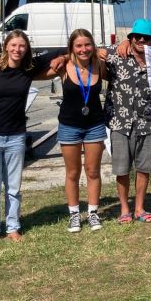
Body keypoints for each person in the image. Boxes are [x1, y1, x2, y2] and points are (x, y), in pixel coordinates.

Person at [0, 30, 59, 246]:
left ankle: (13, 227)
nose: (17, 49)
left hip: (16, 135)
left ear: (26, 49)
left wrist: (68, 53)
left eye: (21, 46)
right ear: (6, 46)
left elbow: (55, 52)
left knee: (14, 187)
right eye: (13, 45)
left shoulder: (28, 70)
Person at [103, 19, 151, 224]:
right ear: (131, 38)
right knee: (122, 169)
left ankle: (139, 208)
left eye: (146, 38)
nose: (141, 40)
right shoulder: (118, 56)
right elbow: (92, 50)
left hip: (147, 122)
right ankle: (124, 209)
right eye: (137, 37)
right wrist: (120, 45)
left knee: (144, 168)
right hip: (120, 122)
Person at [57, 29, 107, 232]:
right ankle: (74, 215)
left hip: (94, 125)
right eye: (78, 45)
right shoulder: (63, 66)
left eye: (87, 45)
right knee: (73, 172)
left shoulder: (99, 65)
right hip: (69, 126)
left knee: (93, 171)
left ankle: (93, 213)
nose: (83, 49)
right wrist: (60, 56)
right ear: (72, 48)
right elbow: (35, 68)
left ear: (93, 46)